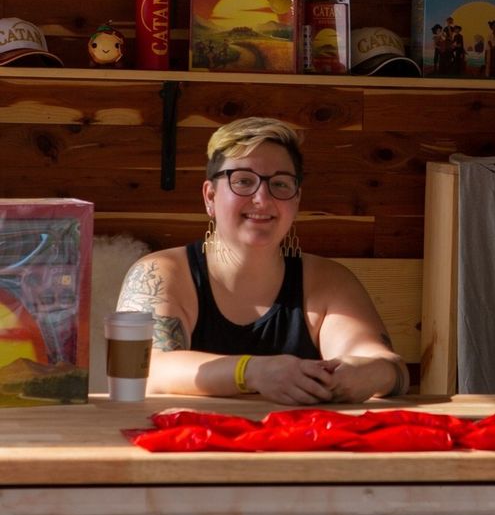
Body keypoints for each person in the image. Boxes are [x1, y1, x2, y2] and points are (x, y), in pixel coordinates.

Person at [116, 117, 408, 405]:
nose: (262, 199)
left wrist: (366, 373)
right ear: (210, 196)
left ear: (296, 199)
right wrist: (251, 372)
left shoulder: (329, 281)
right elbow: (143, 369)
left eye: (280, 184)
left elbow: (388, 367)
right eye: (243, 181)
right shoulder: (160, 273)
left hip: (297, 436)